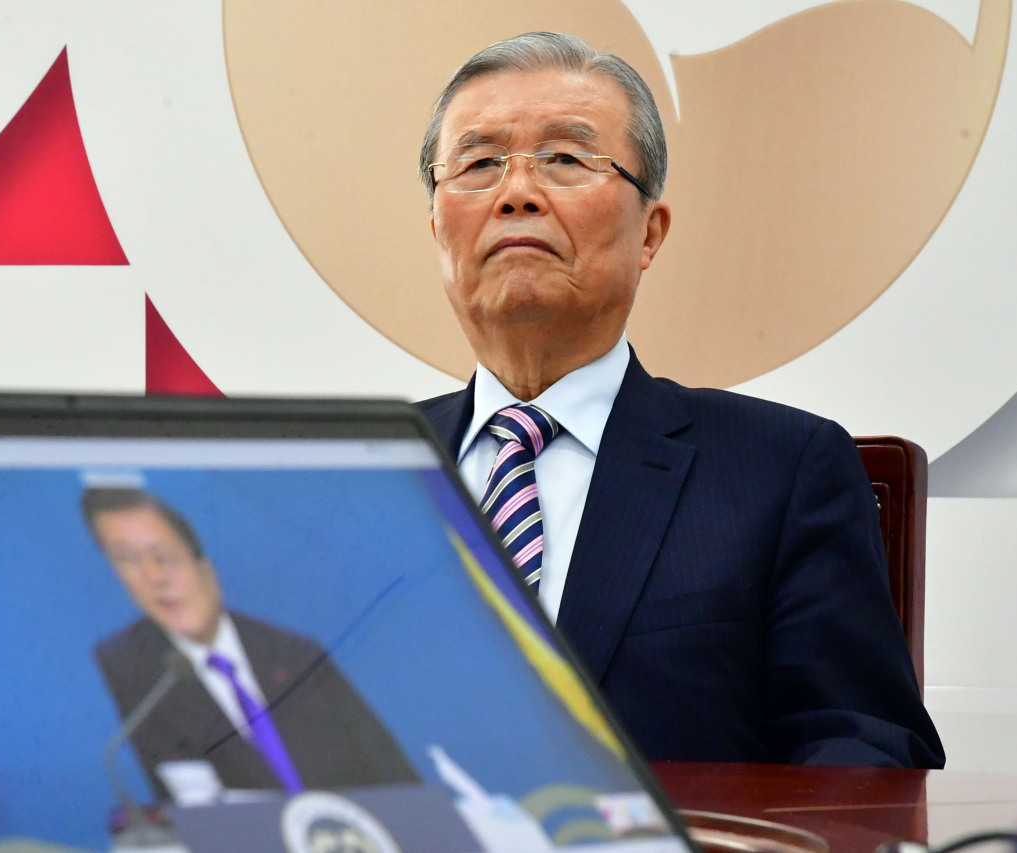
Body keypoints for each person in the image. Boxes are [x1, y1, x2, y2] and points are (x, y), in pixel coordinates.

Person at [416, 32, 944, 768]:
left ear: (649, 233)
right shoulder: (350, 480)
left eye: (566, 159)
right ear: (437, 226)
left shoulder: (782, 471)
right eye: (478, 164)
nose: (517, 192)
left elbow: (866, 753)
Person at [83, 487, 419, 799]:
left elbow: (397, 780)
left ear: (204, 566)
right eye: (128, 561)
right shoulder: (128, 667)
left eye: (163, 555)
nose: (155, 577)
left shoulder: (296, 653)